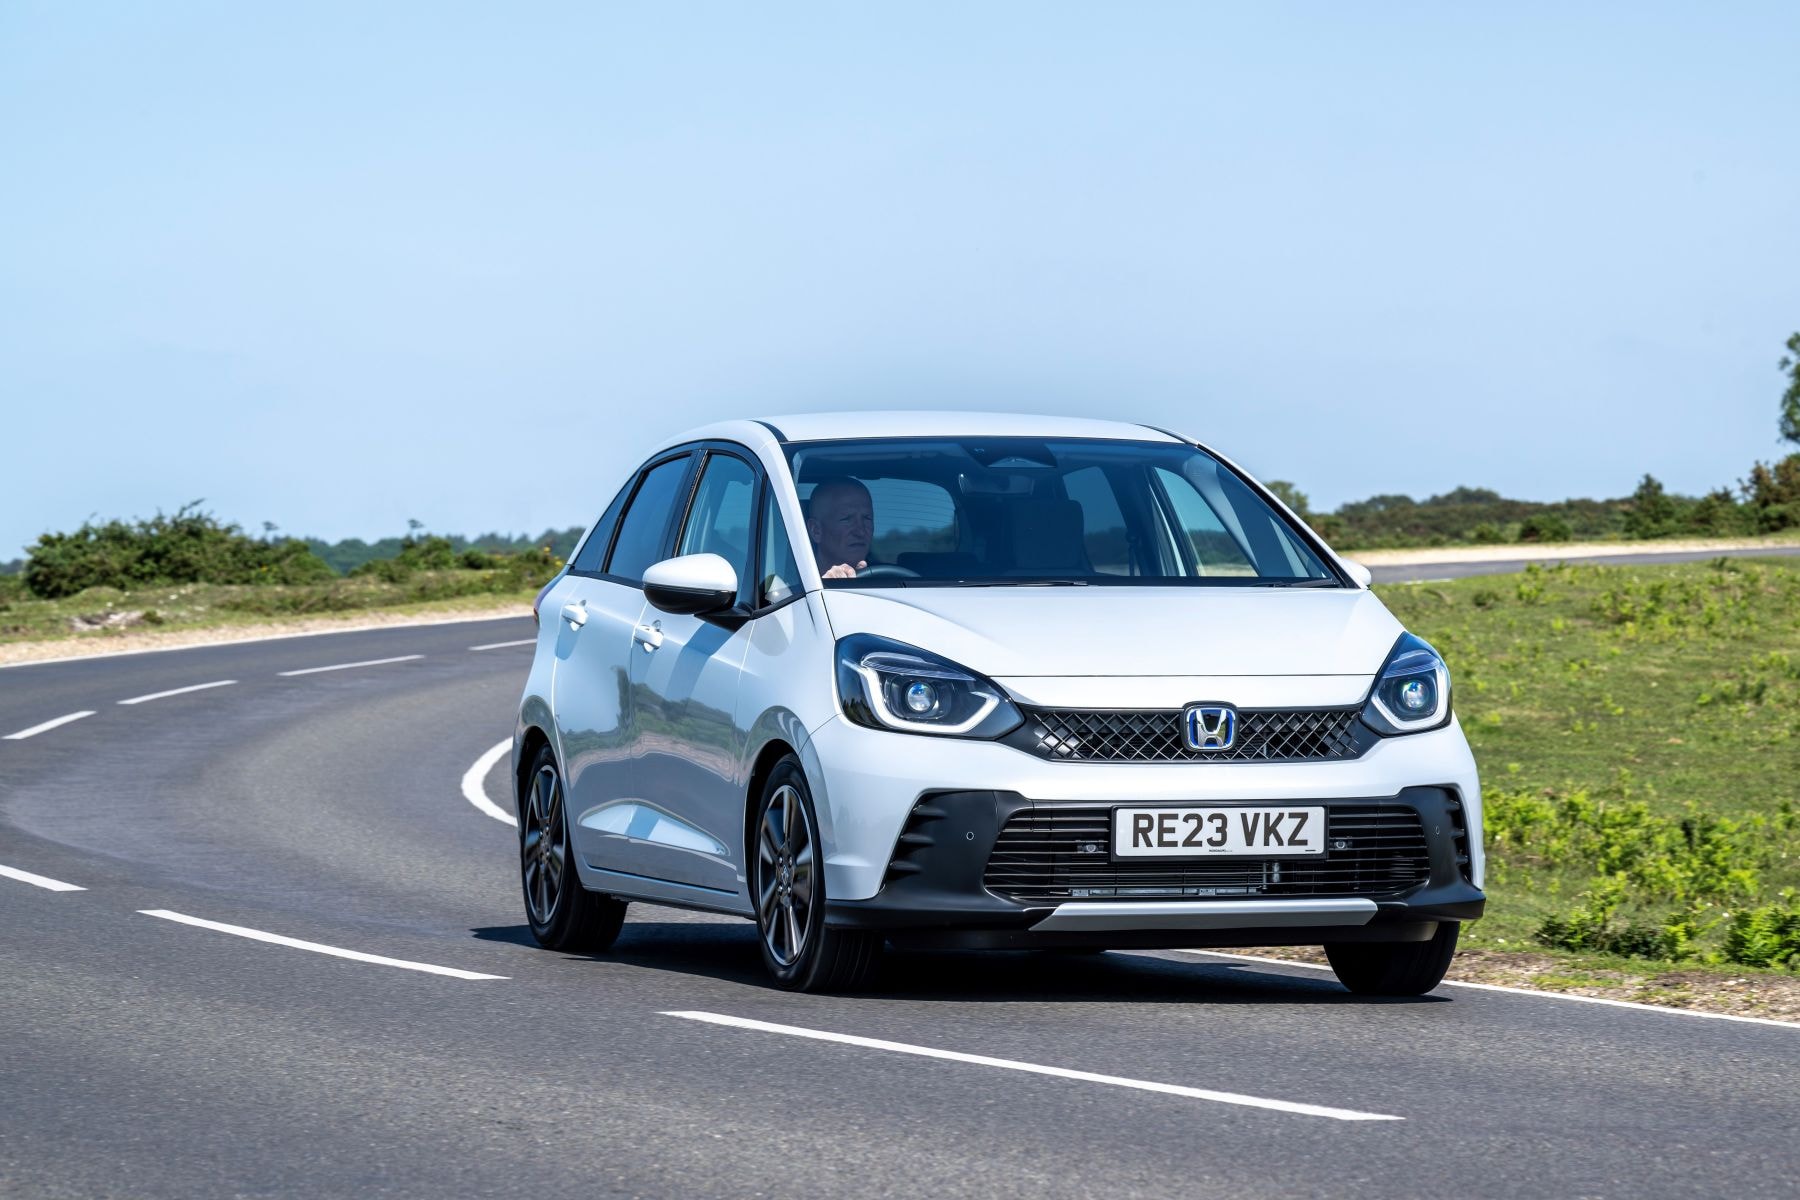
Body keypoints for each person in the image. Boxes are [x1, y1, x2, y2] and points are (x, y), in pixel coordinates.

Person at [805, 476, 874, 579]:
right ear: (816, 530)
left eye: (867, 518)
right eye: (847, 519)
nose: (860, 531)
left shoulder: (893, 582)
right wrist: (827, 584)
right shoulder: (788, 587)